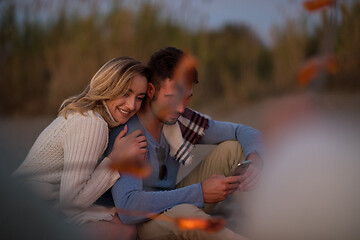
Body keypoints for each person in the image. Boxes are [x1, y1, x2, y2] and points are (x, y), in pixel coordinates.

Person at [106, 47, 264, 240]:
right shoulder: (128, 132)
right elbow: (128, 206)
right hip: (144, 222)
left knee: (234, 149)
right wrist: (200, 192)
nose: (180, 108)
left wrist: (255, 160)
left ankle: (269, 222)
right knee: (187, 215)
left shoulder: (181, 121)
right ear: (150, 90)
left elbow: (243, 131)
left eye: (187, 98)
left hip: (176, 197)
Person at [13, 57, 151, 240]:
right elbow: (71, 204)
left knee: (121, 222)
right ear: (109, 87)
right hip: (24, 209)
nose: (132, 105)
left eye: (139, 98)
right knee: (123, 230)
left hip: (42, 203)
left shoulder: (92, 116)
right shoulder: (92, 124)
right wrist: (116, 160)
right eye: (125, 93)